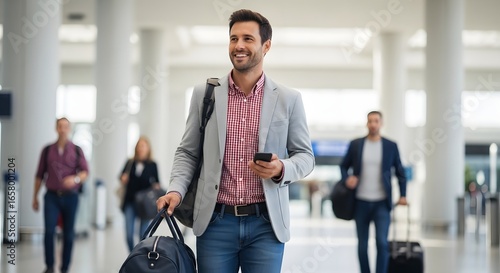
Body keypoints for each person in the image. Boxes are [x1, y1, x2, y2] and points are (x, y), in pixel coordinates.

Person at [156, 9, 314, 273]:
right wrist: (175, 190)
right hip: (216, 222)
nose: (238, 46)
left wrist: (281, 169)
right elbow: (188, 152)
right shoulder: (205, 95)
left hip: (266, 223)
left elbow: (305, 157)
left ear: (266, 46)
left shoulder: (289, 99)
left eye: (248, 39)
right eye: (233, 38)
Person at [340, 111, 407, 273]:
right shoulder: (356, 144)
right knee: (362, 246)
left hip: (382, 203)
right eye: (370, 121)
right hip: (360, 202)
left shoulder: (391, 146)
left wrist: (403, 195)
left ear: (381, 124)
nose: (373, 124)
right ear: (366, 124)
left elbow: (400, 172)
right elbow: (343, 166)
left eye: (376, 121)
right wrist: (347, 178)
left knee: (382, 243)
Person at [32, 117, 89, 273]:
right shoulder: (47, 150)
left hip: (71, 197)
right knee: (49, 231)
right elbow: (39, 175)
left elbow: (85, 172)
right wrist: (35, 197)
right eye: (60, 126)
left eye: (65, 126)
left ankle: (65, 268)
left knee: (68, 234)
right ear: (56, 128)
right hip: (51, 197)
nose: (62, 129)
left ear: (69, 129)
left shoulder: (77, 150)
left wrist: (75, 179)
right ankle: (50, 266)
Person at [119, 136, 161, 251]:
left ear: (148, 148)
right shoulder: (130, 162)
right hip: (130, 201)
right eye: (139, 146)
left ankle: (139, 256)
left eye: (143, 146)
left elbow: (157, 182)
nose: (140, 149)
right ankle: (132, 254)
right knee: (129, 233)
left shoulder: (152, 164)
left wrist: (156, 188)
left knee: (143, 235)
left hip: (145, 203)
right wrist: (123, 178)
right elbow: (121, 176)